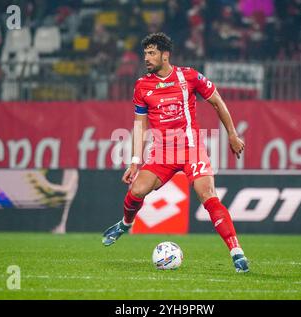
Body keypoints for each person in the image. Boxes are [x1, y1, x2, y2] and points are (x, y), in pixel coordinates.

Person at [101, 32, 249, 273]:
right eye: (145, 53)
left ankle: (236, 252)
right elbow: (140, 124)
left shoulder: (189, 76)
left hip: (191, 148)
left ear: (165, 55)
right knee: (136, 190)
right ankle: (125, 224)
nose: (146, 58)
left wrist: (232, 134)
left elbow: (218, 102)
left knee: (208, 195)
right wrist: (135, 162)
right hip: (162, 151)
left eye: (151, 53)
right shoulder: (142, 85)